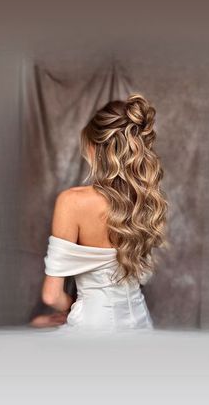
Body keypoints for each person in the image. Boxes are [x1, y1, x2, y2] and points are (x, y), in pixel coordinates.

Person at [30, 93, 168, 332]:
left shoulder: (71, 201)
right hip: (141, 323)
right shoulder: (145, 201)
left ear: (94, 148)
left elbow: (51, 296)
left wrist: (74, 306)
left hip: (92, 326)